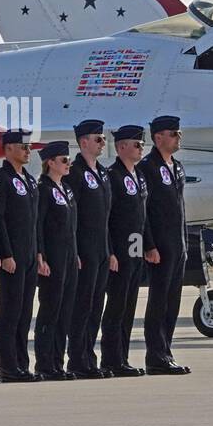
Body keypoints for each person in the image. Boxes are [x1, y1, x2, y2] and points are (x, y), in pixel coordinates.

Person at [137, 116, 191, 375]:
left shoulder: (177, 166)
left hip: (177, 243)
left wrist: (184, 241)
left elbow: (179, 207)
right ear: (158, 138)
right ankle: (155, 355)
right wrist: (149, 244)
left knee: (172, 300)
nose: (179, 137)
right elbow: (144, 211)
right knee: (158, 300)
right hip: (159, 245)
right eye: (174, 133)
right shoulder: (148, 167)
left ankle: (166, 351)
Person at [63, 119, 113, 379]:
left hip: (102, 250)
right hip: (83, 251)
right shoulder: (75, 172)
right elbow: (73, 217)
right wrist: (76, 252)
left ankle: (89, 358)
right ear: (83, 142)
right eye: (98, 139)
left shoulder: (102, 172)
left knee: (96, 307)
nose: (103, 143)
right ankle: (77, 359)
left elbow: (107, 217)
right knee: (81, 306)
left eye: (103, 139)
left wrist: (111, 250)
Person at [100, 124, 150, 376]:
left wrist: (148, 246)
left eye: (142, 144)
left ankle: (123, 356)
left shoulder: (138, 175)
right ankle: (111, 358)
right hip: (119, 251)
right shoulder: (113, 176)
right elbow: (106, 218)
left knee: (130, 305)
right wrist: (110, 251)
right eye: (136, 144)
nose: (141, 147)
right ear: (121, 147)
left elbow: (143, 216)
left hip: (135, 249)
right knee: (117, 305)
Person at [0, 130, 39, 382]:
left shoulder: (29, 180)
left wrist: (38, 253)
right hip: (13, 256)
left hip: (30, 254)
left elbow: (34, 221)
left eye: (29, 146)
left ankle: (22, 363)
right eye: (23, 146)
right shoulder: (3, 178)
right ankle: (9, 365)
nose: (27, 150)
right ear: (9, 149)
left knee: (25, 312)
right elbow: (0, 220)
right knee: (11, 311)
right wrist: (6, 253)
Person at [34, 141, 78, 381]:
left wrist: (76, 254)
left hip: (69, 257)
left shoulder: (66, 189)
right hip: (52, 258)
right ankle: (44, 362)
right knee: (50, 311)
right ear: (50, 163)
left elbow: (72, 226)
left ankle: (57, 362)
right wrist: (40, 254)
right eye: (63, 160)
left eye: (68, 160)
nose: (68, 163)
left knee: (65, 312)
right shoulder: (43, 189)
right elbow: (38, 224)